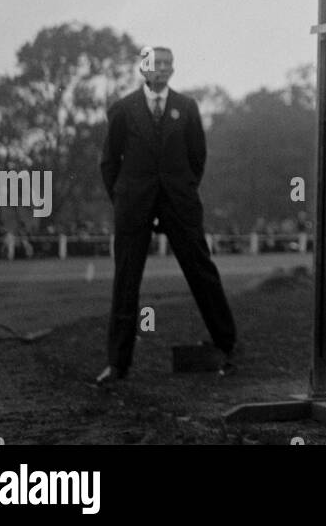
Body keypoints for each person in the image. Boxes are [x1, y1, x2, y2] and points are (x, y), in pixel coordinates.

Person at [97, 47, 237, 384]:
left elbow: (197, 157)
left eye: (167, 64)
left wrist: (181, 190)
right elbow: (108, 162)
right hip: (134, 204)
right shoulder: (123, 109)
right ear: (143, 69)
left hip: (179, 202)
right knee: (126, 279)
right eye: (155, 64)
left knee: (202, 271)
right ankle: (118, 364)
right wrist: (123, 198)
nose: (162, 69)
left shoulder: (186, 108)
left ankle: (226, 345)